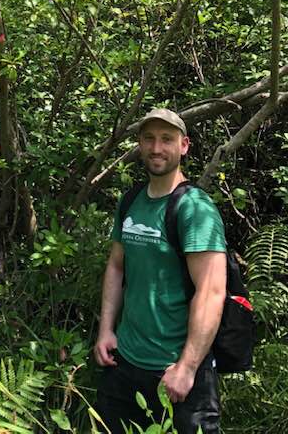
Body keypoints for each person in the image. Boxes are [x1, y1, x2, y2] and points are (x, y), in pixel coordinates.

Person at [94, 108, 227, 434]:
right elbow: (115, 265)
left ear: (184, 146)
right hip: (124, 364)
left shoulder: (195, 209)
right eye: (149, 139)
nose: (156, 148)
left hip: (175, 372)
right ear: (139, 144)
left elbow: (211, 291)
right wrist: (106, 330)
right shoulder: (131, 201)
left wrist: (187, 367)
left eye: (166, 139)